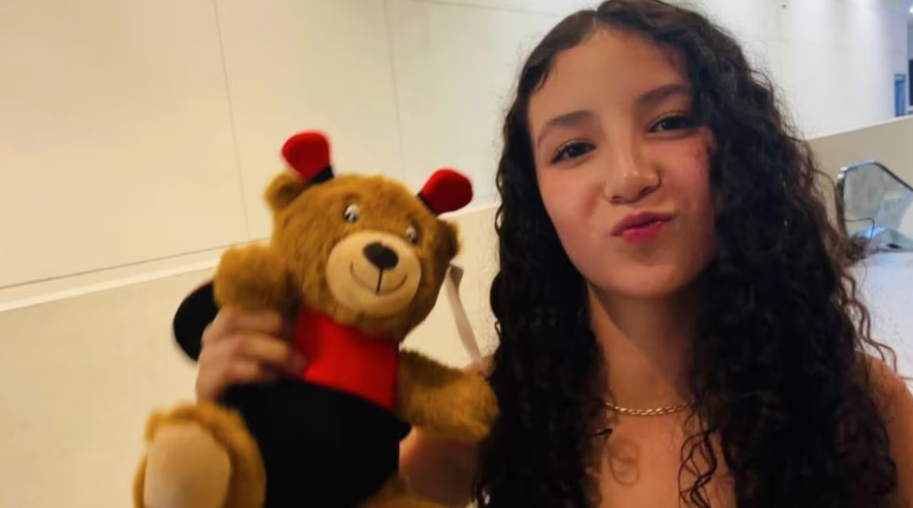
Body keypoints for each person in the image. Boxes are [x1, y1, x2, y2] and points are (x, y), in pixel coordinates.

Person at [181, 1, 913, 507]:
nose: (629, 176)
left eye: (669, 121)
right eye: (573, 148)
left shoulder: (855, 403)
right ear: (537, 201)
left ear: (737, 152)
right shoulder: (491, 414)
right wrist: (246, 441)